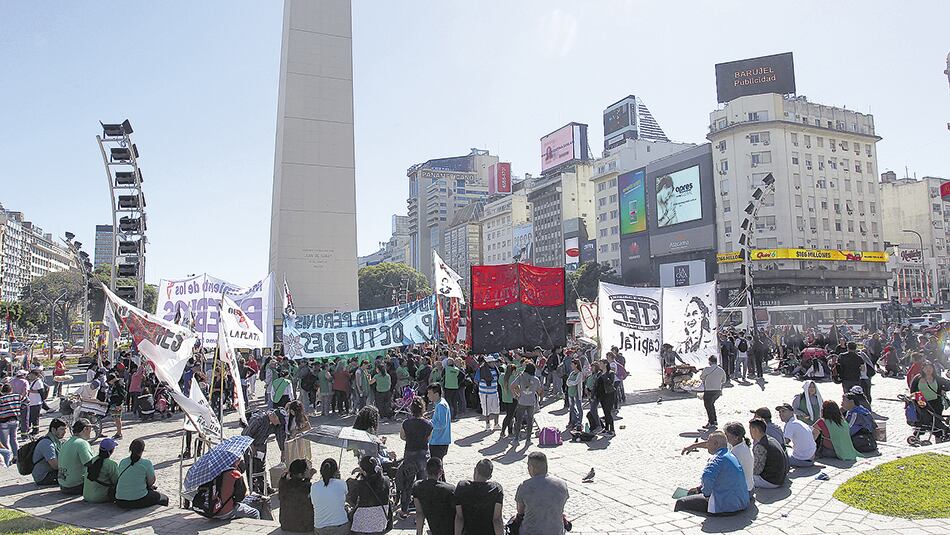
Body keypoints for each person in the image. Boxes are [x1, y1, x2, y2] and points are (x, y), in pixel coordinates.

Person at [673, 431, 749, 516]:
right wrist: (699, 489)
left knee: (681, 502)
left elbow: (707, 477)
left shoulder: (717, 458)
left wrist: (706, 495)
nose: (707, 444)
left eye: (708, 442)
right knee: (694, 493)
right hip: (741, 503)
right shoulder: (730, 455)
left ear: (716, 444)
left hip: (724, 506)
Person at [681, 422, 754, 495]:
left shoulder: (736, 453)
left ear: (736, 437)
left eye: (726, 435)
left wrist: (700, 489)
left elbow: (720, 477)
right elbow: (712, 443)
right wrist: (694, 446)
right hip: (748, 488)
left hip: (742, 492)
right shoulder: (740, 443)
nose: (724, 438)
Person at [513, 452, 569, 535]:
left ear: (532, 467)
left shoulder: (524, 486)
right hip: (556, 531)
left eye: (528, 466)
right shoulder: (562, 484)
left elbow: (520, 511)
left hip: (530, 532)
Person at [399, 397, 432, 518]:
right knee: (422, 483)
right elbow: (429, 439)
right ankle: (421, 511)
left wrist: (410, 438)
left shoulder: (406, 423)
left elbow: (402, 437)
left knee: (407, 484)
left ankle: (404, 510)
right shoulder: (428, 424)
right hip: (423, 454)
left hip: (410, 454)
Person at [242, 409, 288, 494]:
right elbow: (245, 434)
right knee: (251, 468)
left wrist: (283, 451)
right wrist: (252, 447)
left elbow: (280, 436)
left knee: (261, 467)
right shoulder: (258, 419)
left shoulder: (276, 424)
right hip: (250, 446)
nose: (279, 423)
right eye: (279, 421)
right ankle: (254, 490)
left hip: (261, 446)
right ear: (274, 416)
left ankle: (264, 488)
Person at [114, 438, 169, 508]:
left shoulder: (123, 462)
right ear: (142, 450)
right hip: (138, 500)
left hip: (120, 500)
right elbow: (151, 481)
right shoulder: (146, 463)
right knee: (164, 498)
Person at [454, 458, 504, 535]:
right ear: (490, 476)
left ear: (475, 470)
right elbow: (497, 519)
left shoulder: (462, 486)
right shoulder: (496, 489)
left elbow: (459, 517)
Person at [347, 455, 392, 535]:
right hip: (380, 523)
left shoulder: (360, 484)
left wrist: (358, 477)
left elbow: (352, 500)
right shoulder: (386, 480)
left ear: (363, 471)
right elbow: (380, 478)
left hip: (361, 525)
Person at [412, 457, 456, 535]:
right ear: (441, 472)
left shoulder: (418, 486)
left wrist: (419, 533)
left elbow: (419, 513)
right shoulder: (450, 489)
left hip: (434, 528)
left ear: (426, 470)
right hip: (451, 528)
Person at [312, 458, 349, 535]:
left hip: (320, 528)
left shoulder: (314, 486)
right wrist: (338, 479)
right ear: (336, 472)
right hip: (340, 527)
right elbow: (344, 496)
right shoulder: (341, 484)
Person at [58, 418, 95, 495]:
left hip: (63, 485)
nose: (90, 433)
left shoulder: (67, 442)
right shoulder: (82, 443)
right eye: (90, 430)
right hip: (75, 486)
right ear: (85, 429)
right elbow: (90, 464)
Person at [748, 419, 788, 489]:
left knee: (743, 478)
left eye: (750, 429)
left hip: (771, 481)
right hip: (780, 478)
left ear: (755, 430)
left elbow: (757, 471)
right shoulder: (772, 439)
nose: (750, 432)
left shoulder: (760, 446)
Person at [510, 363, 542, 445]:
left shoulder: (521, 377)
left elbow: (512, 386)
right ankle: (528, 439)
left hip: (522, 401)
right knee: (530, 420)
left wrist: (516, 395)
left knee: (519, 420)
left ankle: (516, 439)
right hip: (531, 402)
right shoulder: (536, 379)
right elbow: (540, 391)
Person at [279, 459, 314, 531]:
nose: (309, 470)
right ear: (300, 474)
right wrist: (308, 478)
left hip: (286, 525)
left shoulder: (283, 483)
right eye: (307, 469)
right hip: (304, 527)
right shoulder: (307, 486)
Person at [32, 418, 67, 486]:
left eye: (65, 429)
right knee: (74, 477)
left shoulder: (56, 441)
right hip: (43, 477)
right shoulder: (47, 444)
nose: (65, 432)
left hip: (51, 472)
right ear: (53, 429)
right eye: (62, 429)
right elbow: (55, 466)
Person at [83, 438, 119, 503]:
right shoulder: (111, 464)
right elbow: (116, 481)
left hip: (86, 495)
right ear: (112, 450)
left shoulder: (92, 460)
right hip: (100, 497)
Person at [427, 384, 452, 465]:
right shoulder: (439, 403)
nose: (427, 396)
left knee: (435, 467)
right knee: (437, 466)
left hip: (439, 442)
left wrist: (428, 423)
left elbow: (441, 424)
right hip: (438, 440)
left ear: (436, 394)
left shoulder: (441, 405)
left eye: (429, 393)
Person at [699, 356, 727, 428]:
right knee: (711, 405)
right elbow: (723, 380)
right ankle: (714, 420)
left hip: (709, 390)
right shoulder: (721, 370)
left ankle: (711, 422)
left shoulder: (707, 369)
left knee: (708, 406)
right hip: (718, 391)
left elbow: (701, 377)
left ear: (710, 361)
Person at [475, 357, 500, 431]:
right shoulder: (481, 369)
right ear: (488, 363)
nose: (494, 363)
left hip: (494, 392)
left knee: (497, 408)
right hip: (485, 393)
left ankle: (496, 424)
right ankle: (487, 425)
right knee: (486, 409)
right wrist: (483, 386)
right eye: (492, 362)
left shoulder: (495, 369)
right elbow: (476, 380)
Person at [594, 360, 616, 436]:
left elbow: (611, 382)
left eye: (601, 364)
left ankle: (612, 430)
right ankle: (606, 429)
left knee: (608, 412)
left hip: (609, 394)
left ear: (605, 364)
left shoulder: (611, 373)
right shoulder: (599, 373)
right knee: (605, 412)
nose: (599, 365)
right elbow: (596, 384)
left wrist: (604, 376)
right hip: (601, 395)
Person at [0, 383, 21, 463]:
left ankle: (7, 459)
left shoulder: (1, 398)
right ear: (11, 390)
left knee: (4, 441)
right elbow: (27, 401)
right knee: (14, 439)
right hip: (15, 420)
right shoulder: (17, 396)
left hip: (4, 421)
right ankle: (16, 457)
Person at [498, 363, 516, 438]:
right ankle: (506, 431)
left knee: (509, 415)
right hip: (512, 398)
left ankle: (508, 431)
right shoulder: (513, 378)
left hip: (505, 398)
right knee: (510, 416)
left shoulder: (502, 376)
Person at [565, 360, 583, 430]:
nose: (571, 366)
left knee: (579, 407)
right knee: (572, 407)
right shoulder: (572, 373)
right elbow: (567, 381)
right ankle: (572, 421)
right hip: (570, 392)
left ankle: (579, 422)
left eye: (572, 364)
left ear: (576, 365)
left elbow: (576, 382)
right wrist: (570, 383)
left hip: (577, 393)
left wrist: (570, 382)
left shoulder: (580, 373)